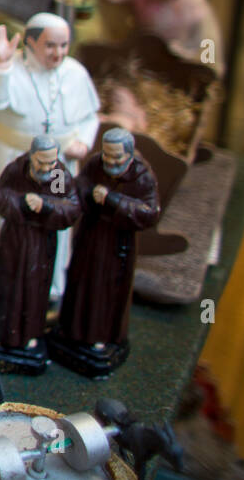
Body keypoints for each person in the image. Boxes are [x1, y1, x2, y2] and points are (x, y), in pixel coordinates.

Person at [0, 13, 99, 298]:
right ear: (30, 42)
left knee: (54, 216)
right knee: (5, 217)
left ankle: (49, 286)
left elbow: (90, 117)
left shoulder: (75, 73)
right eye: (51, 45)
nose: (59, 53)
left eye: (64, 45)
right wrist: (2, 65)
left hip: (58, 166)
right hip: (11, 159)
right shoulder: (10, 67)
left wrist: (83, 142)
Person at [51, 127, 161, 375]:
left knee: (106, 292)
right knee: (80, 282)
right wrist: (87, 193)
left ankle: (99, 336)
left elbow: (149, 213)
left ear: (130, 155)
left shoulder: (142, 176)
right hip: (90, 236)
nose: (110, 162)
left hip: (116, 244)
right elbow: (79, 188)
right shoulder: (95, 164)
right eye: (107, 156)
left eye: (117, 158)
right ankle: (73, 329)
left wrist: (112, 200)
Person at [0, 136, 82, 373]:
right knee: (6, 286)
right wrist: (22, 202)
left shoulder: (57, 176)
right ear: (32, 155)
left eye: (50, 162)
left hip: (40, 243)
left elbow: (68, 206)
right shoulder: (18, 169)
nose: (46, 168)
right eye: (41, 162)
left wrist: (45, 205)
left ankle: (29, 334)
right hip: (14, 239)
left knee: (34, 291)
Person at [82, 0, 224, 69]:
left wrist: (195, 55)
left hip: (176, 52)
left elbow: (201, 38)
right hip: (143, 47)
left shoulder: (189, 7)